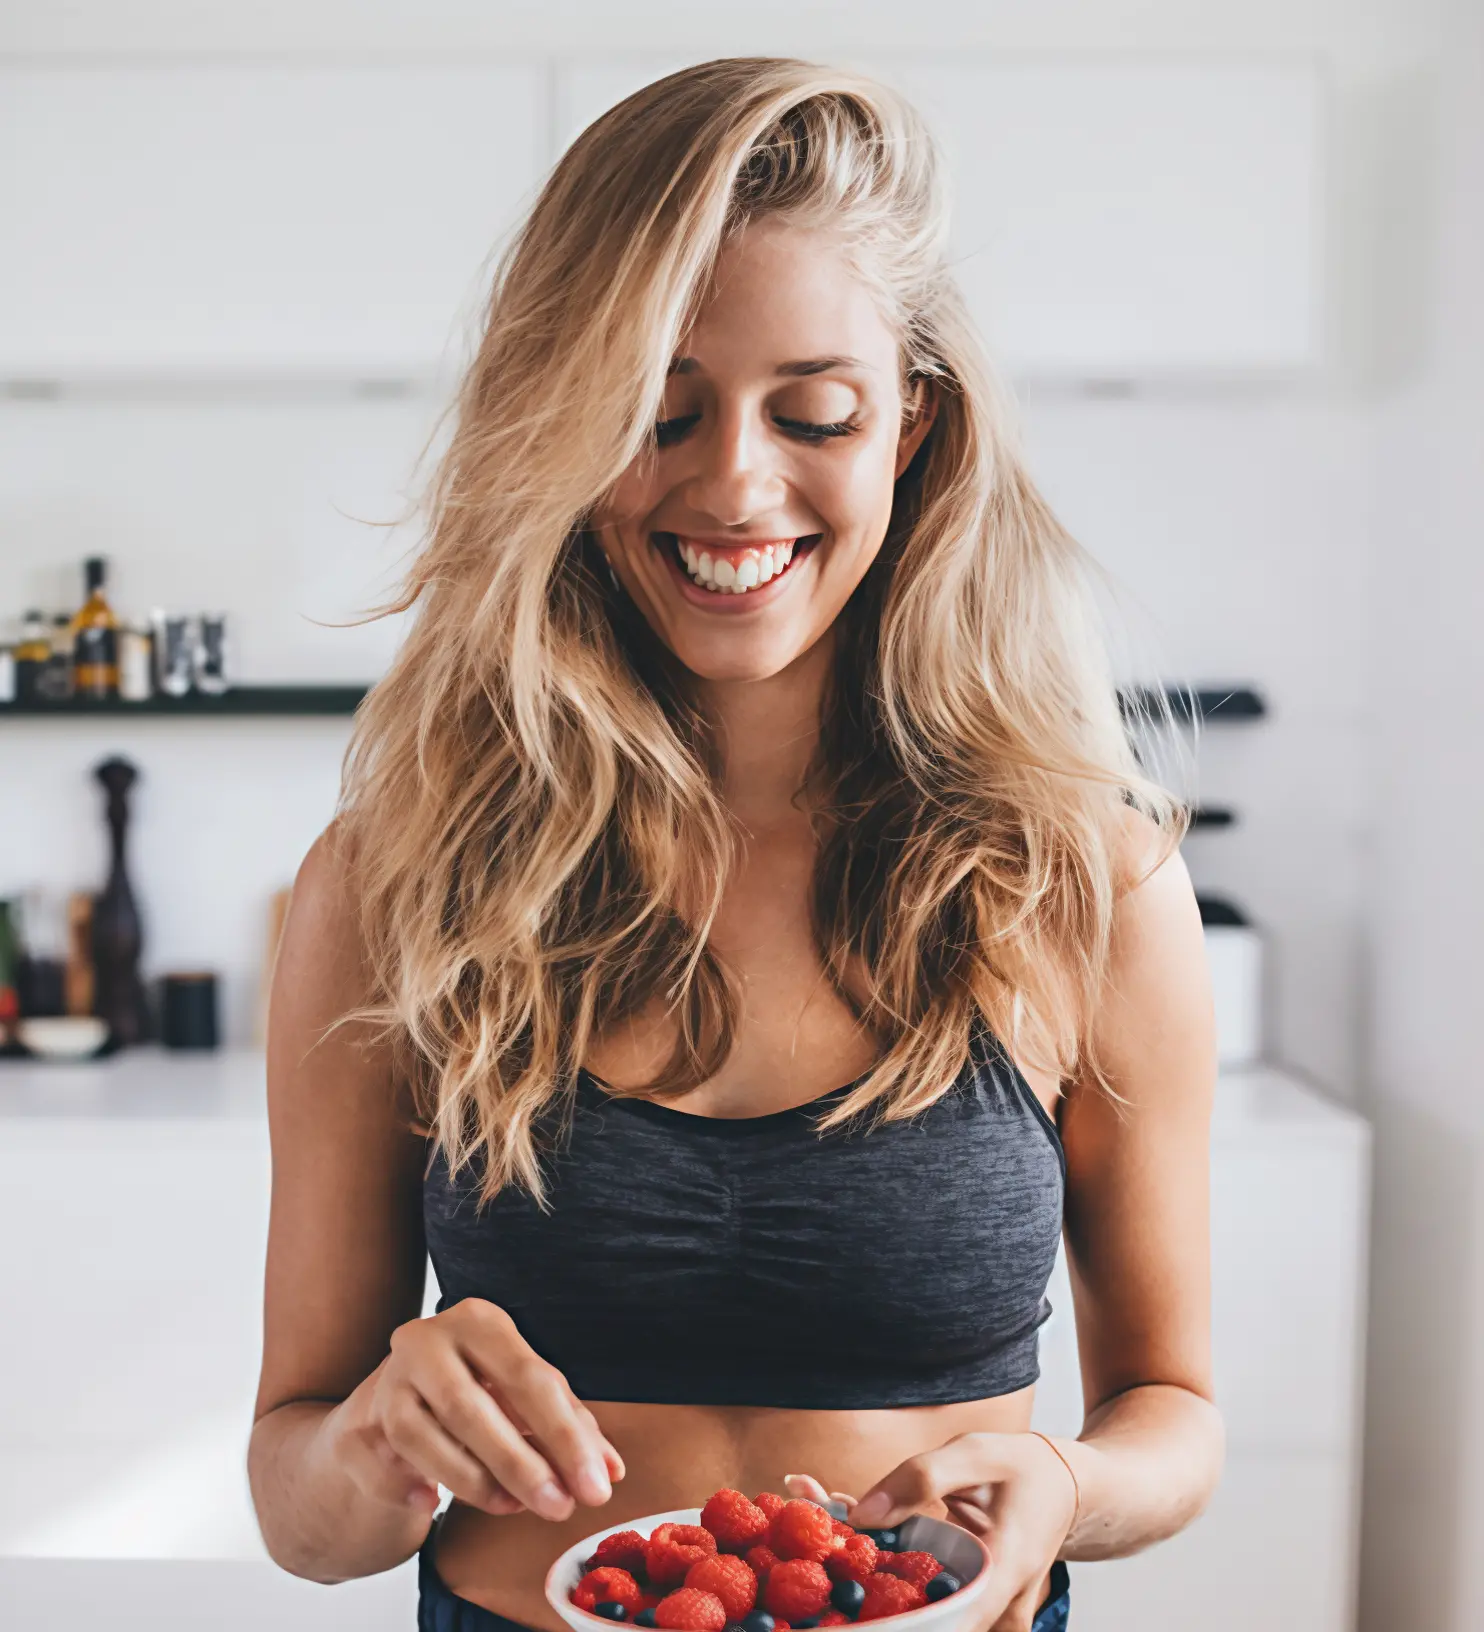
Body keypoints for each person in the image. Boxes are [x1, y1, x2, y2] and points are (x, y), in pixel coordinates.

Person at [248, 57, 1223, 1632]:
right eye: (659, 410)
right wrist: (371, 1437)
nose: (736, 483)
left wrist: (1069, 1484)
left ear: (910, 423)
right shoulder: (391, 882)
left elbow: (1173, 1406)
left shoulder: (1085, 880)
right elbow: (304, 1509)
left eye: (814, 410)